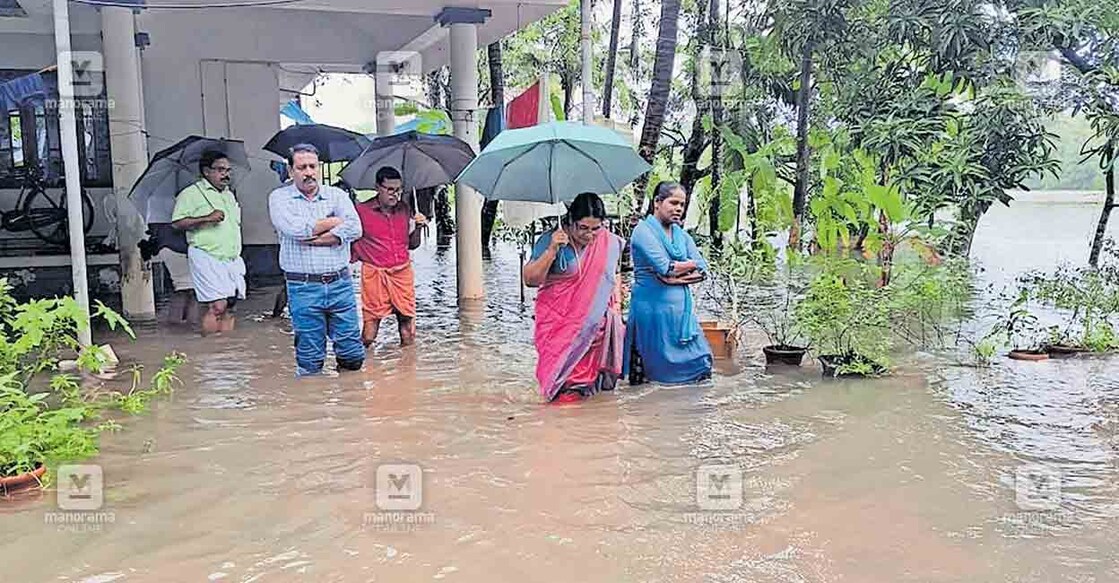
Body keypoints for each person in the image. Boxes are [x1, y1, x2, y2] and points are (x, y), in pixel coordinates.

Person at [268, 143, 365, 376]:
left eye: (313, 166)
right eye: (302, 167)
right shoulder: (279, 198)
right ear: (291, 172)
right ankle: (313, 406)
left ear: (319, 168)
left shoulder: (337, 195)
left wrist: (318, 237)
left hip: (340, 284)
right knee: (310, 359)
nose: (308, 172)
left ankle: (352, 404)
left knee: (352, 355)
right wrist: (333, 222)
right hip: (303, 286)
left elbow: (356, 229)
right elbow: (295, 229)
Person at [524, 192, 625, 403]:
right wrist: (552, 249)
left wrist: (616, 308)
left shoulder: (608, 242)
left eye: (595, 228)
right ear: (570, 221)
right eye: (583, 228)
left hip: (595, 328)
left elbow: (612, 276)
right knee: (561, 390)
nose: (589, 235)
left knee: (587, 393)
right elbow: (531, 279)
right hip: (557, 328)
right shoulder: (551, 240)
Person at [623, 181, 713, 385]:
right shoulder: (643, 231)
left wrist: (674, 279)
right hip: (652, 313)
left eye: (682, 204)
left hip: (682, 316)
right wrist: (682, 269)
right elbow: (665, 267)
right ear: (657, 202)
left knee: (701, 363)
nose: (679, 209)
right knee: (648, 378)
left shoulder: (681, 235)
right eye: (673, 203)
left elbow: (702, 268)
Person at [170, 150, 246, 336]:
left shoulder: (229, 195)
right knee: (218, 306)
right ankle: (212, 349)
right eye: (220, 170)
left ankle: (227, 351)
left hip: (232, 257)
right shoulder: (191, 193)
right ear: (206, 171)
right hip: (206, 254)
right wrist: (206, 218)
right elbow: (177, 223)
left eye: (228, 170)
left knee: (231, 305)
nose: (226, 174)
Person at [351, 166, 427, 348]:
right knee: (370, 332)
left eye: (399, 190)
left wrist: (417, 227)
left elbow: (412, 245)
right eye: (390, 190)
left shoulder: (405, 209)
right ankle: (360, 366)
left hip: (402, 272)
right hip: (375, 273)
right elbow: (346, 238)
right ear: (378, 187)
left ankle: (407, 370)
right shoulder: (360, 211)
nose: (396, 195)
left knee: (408, 328)